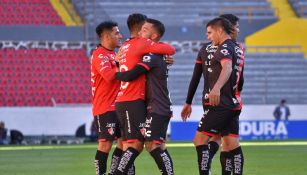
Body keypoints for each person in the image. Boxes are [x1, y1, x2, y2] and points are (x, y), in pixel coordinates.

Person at [113, 13, 176, 175]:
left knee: (146, 145)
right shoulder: (146, 49)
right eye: (142, 28)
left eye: (145, 29)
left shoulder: (136, 49)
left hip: (156, 105)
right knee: (145, 145)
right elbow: (170, 49)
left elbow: (133, 72)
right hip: (143, 103)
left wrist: (115, 72)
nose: (142, 32)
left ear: (153, 36)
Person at [181, 14, 244, 175]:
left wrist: (215, 89)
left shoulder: (219, 48)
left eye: (209, 33)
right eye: (235, 26)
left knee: (200, 140)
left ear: (219, 30)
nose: (207, 36)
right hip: (233, 101)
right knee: (230, 144)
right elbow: (240, 78)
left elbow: (225, 68)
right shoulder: (237, 48)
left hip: (217, 103)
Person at [91, 20, 125, 175]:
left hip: (120, 106)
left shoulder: (114, 54)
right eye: (116, 33)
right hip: (105, 107)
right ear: (106, 36)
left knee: (123, 143)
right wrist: (119, 62)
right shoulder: (99, 54)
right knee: (105, 144)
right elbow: (109, 76)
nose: (120, 35)